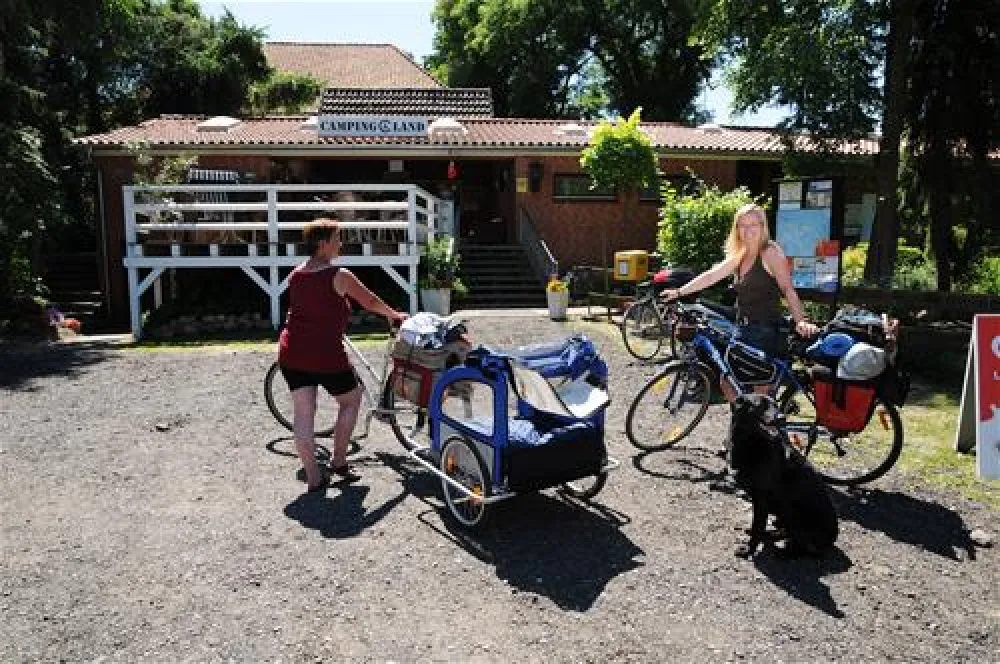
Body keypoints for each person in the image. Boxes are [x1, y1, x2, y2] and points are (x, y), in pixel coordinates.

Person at [278, 217, 407, 493]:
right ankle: (338, 461)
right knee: (351, 400)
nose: (341, 243)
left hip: (292, 352)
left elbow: (300, 309)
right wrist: (395, 316)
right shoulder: (339, 276)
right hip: (324, 354)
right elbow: (370, 301)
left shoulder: (295, 274)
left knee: (303, 414)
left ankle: (314, 477)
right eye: (337, 238)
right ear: (323, 244)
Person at [662, 203, 820, 401]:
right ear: (736, 229)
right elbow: (711, 276)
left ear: (763, 227)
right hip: (742, 329)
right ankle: (745, 424)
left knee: (758, 392)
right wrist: (679, 292)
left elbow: (788, 289)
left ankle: (762, 427)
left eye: (753, 225)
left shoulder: (770, 252)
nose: (748, 230)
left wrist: (801, 320)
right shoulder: (741, 254)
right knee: (727, 383)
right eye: (742, 225)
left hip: (764, 331)